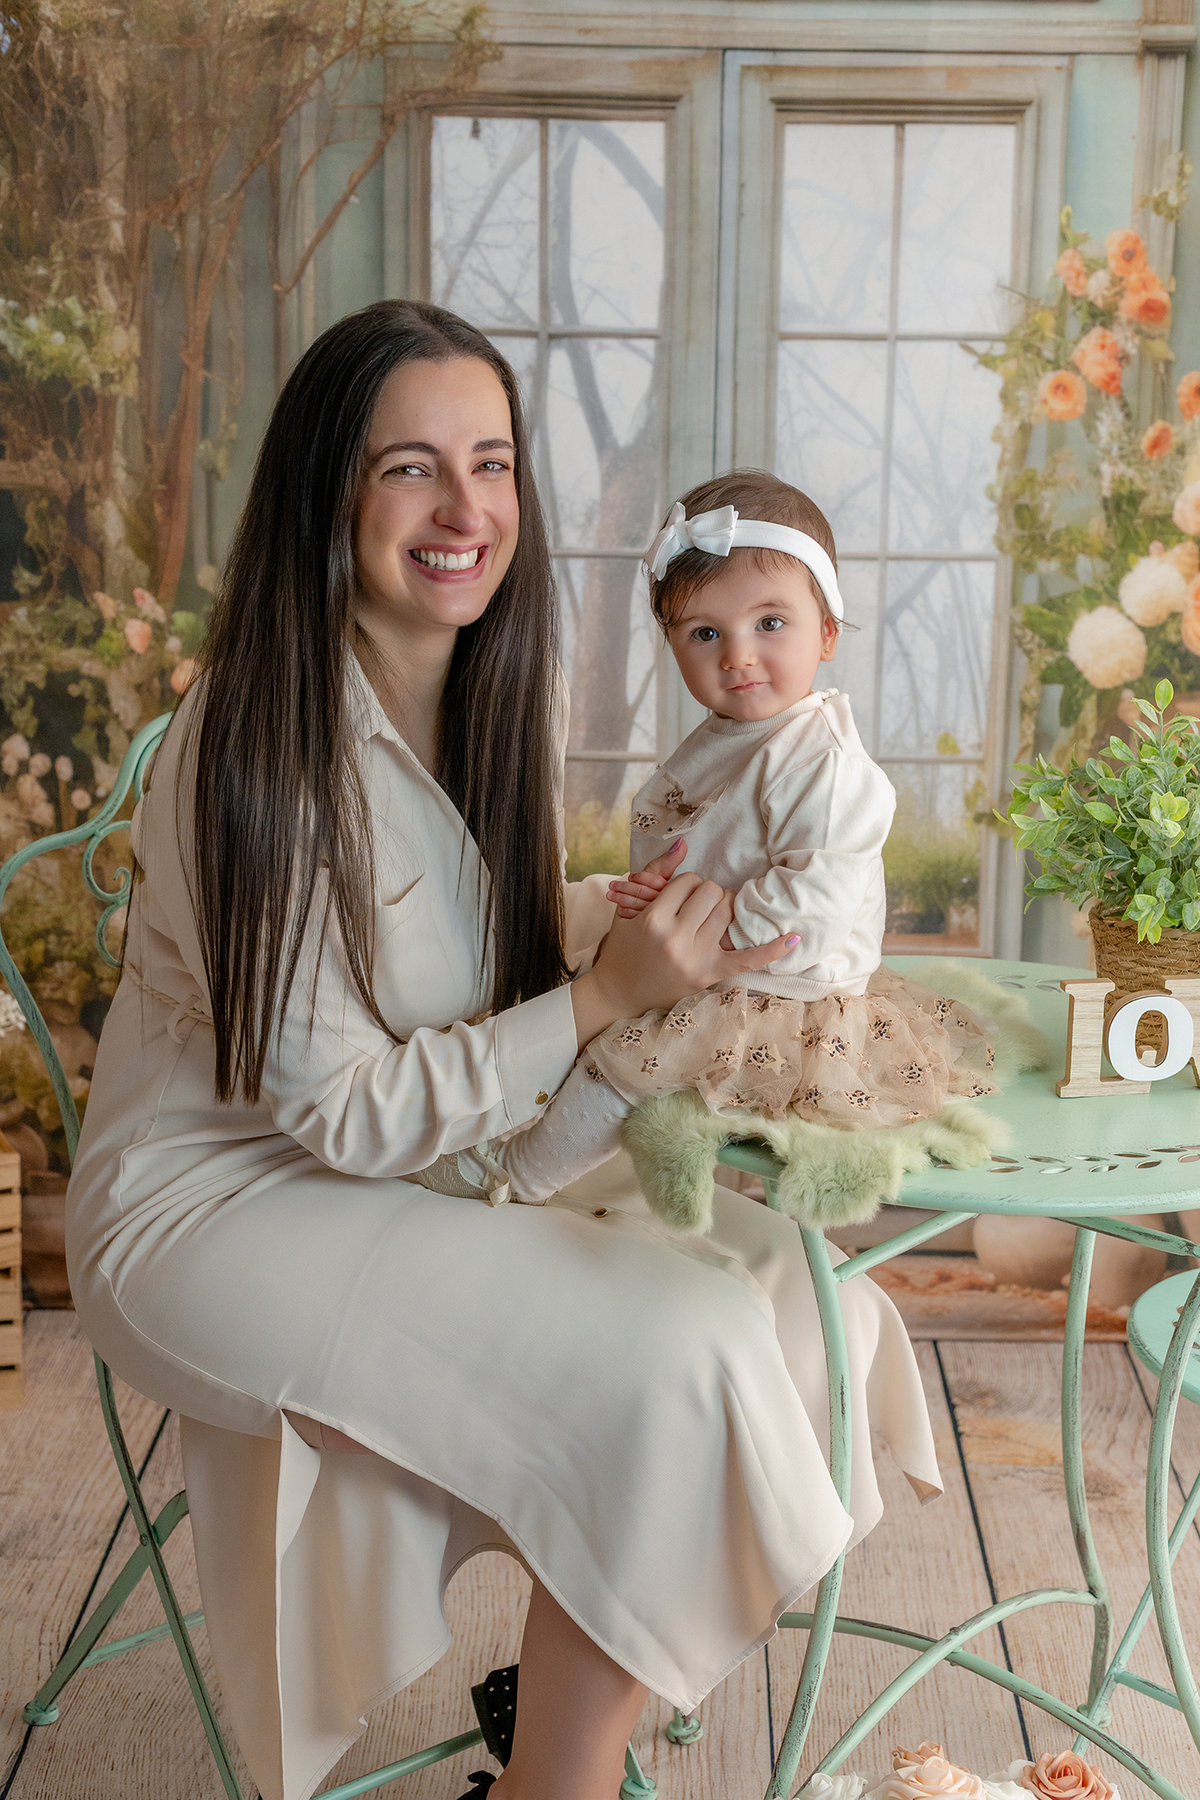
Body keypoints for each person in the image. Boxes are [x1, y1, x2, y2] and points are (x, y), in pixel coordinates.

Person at [65, 303, 942, 1800]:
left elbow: (479, 948)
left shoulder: (478, 684)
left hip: (439, 1146)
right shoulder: (255, 745)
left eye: (494, 463)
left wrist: (626, 919)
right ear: (327, 495)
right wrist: (604, 1000)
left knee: (808, 1302)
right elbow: (337, 1106)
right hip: (225, 1199)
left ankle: (553, 1731)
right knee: (684, 1352)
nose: (467, 511)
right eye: (413, 468)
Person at [431, 472, 1003, 1227]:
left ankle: (516, 1174)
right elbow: (695, 838)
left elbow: (813, 912)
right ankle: (495, 1113)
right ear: (674, 644)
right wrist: (651, 899)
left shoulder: (823, 762)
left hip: (773, 985)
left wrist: (683, 933)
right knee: (572, 961)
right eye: (706, 634)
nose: (738, 656)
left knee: (624, 1069)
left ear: (827, 632)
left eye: (771, 624)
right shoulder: (737, 733)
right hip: (703, 949)